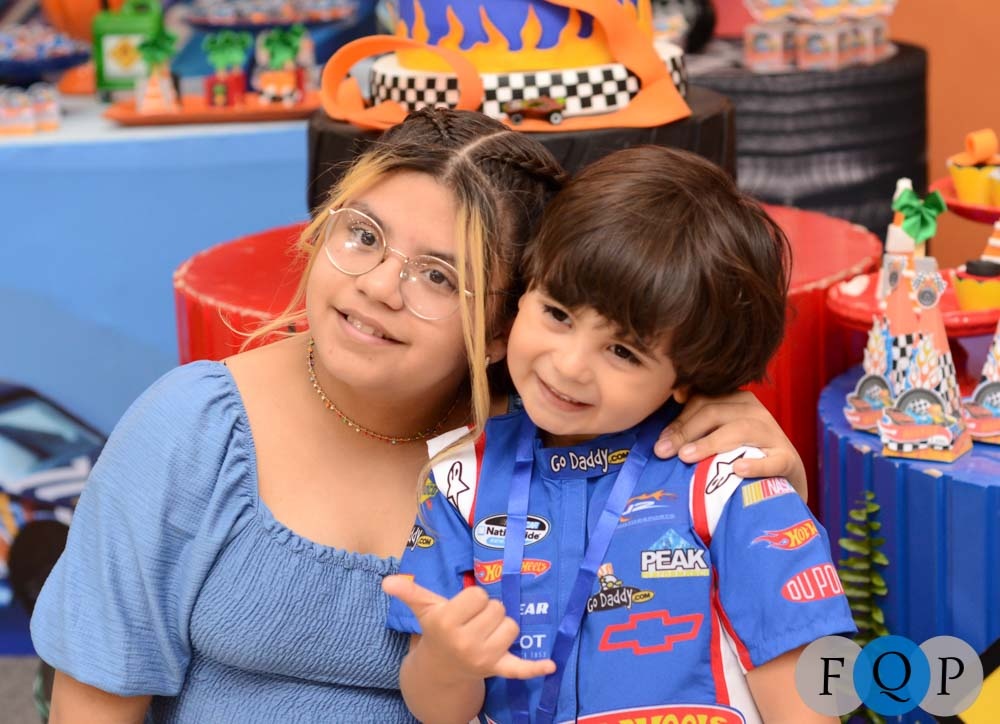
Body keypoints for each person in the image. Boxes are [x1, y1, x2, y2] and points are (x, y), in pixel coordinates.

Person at [31, 110, 808, 723]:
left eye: (439, 276)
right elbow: (93, 703)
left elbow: (769, 610)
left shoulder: (563, 431)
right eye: (362, 235)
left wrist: (774, 468)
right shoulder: (191, 430)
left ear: (505, 324)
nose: (377, 285)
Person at [384, 146, 855, 724]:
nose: (570, 365)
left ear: (686, 377)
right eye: (558, 314)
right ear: (523, 295)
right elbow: (439, 710)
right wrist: (448, 662)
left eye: (623, 351)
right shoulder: (459, 481)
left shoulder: (729, 482)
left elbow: (807, 705)